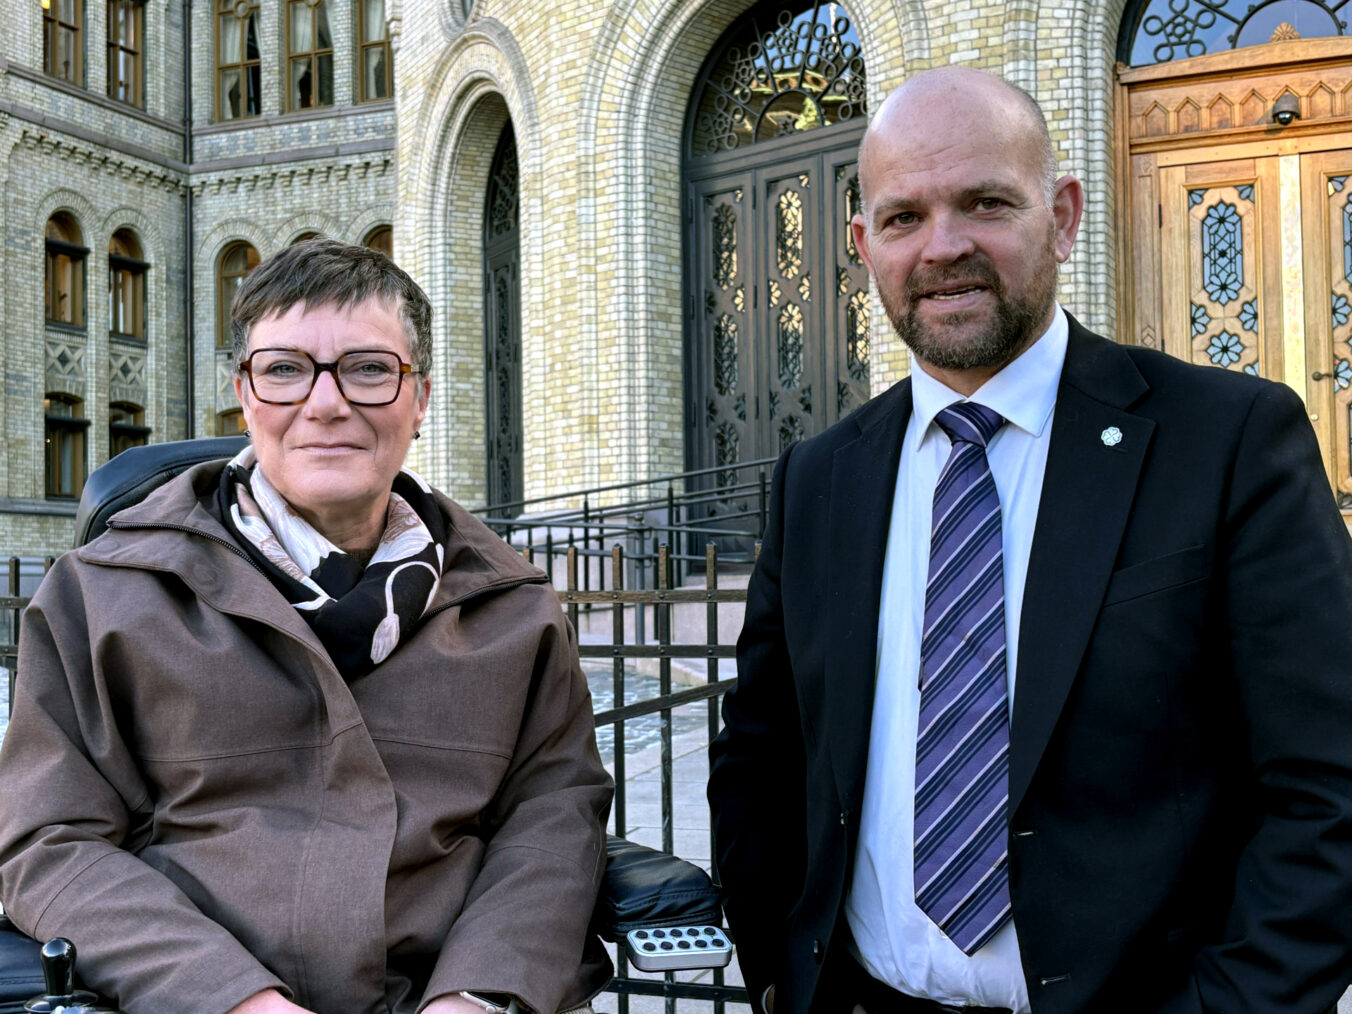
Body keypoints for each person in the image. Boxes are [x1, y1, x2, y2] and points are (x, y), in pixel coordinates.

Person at [707, 67, 1352, 1014]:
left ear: (1063, 213)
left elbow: (1328, 787)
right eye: (902, 218)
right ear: (860, 245)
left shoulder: (1227, 442)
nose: (944, 247)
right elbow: (761, 754)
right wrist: (777, 966)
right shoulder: (819, 478)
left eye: (985, 203)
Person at [0, 239, 613, 1014]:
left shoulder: (513, 610)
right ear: (244, 395)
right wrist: (234, 999)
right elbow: (49, 841)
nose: (326, 404)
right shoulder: (103, 596)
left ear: (418, 399)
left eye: (368, 368)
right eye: (285, 369)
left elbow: (554, 819)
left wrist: (478, 994)